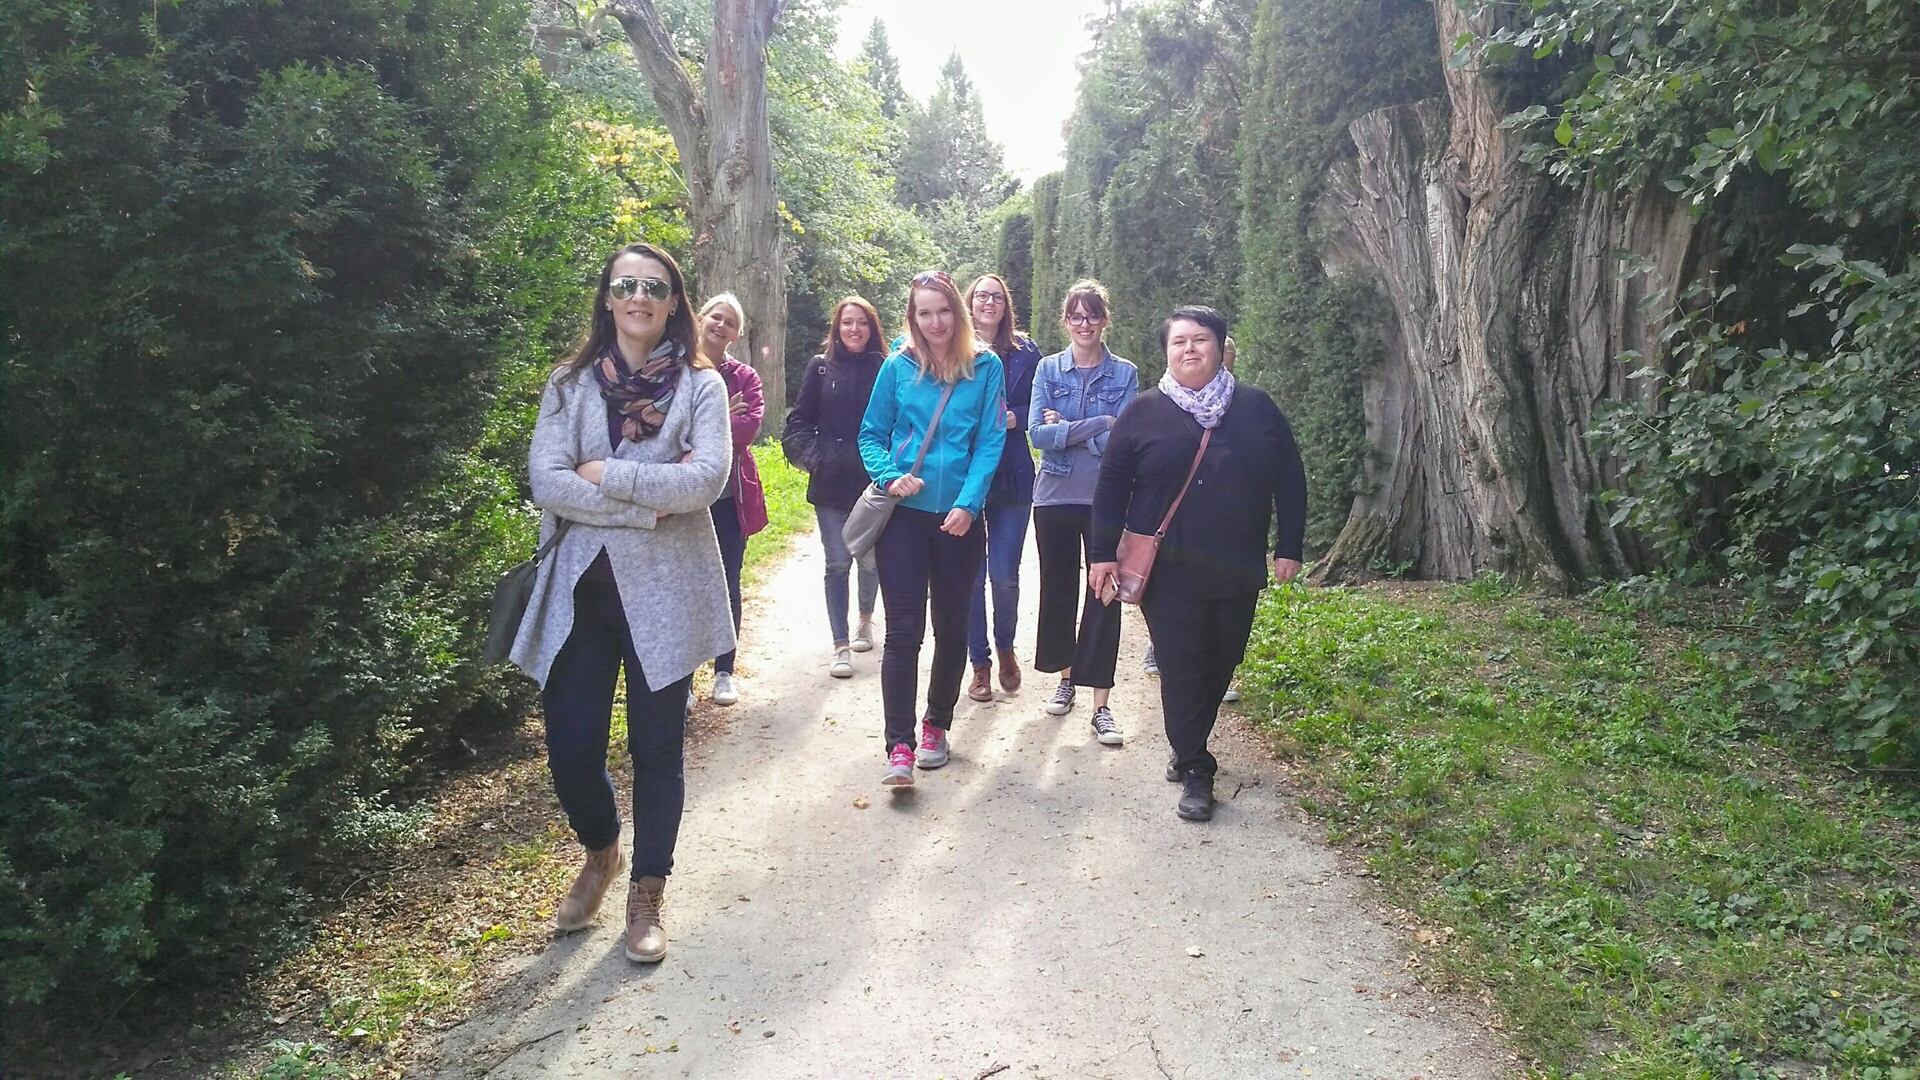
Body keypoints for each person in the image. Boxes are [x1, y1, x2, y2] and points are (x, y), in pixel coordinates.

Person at [509, 242, 734, 962]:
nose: (639, 297)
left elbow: (706, 480)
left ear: (674, 303)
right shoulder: (568, 383)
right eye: (626, 285)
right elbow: (547, 480)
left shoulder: (701, 386)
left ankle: (646, 893)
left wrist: (602, 473)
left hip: (665, 599)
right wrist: (646, 504)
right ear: (608, 298)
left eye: (655, 287)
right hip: (579, 597)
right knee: (571, 748)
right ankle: (602, 849)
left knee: (656, 748)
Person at [1089, 306, 1305, 821]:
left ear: (1220, 346)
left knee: (1223, 659)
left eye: (1200, 339)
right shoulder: (1143, 412)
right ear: (1166, 352)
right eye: (1179, 341)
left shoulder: (1256, 408)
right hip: (1169, 572)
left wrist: (1289, 546)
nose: (1189, 349)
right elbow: (1111, 488)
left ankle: (1187, 740)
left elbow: (1290, 477)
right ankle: (1194, 766)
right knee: (1182, 665)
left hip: (1237, 564)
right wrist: (1101, 555)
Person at [859, 270, 1006, 787]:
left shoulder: (985, 366)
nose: (936, 322)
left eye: (943, 310)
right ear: (913, 317)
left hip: (959, 520)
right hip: (904, 517)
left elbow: (990, 441)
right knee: (903, 632)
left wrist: (969, 503)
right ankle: (898, 745)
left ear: (958, 313)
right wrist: (889, 475)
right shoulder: (897, 366)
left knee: (951, 629)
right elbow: (871, 433)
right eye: (925, 313)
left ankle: (935, 726)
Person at [1028, 280, 1139, 746]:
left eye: (1092, 315)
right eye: (1076, 316)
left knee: (1104, 595)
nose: (1084, 324)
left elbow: (1124, 442)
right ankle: (1065, 679)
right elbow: (1037, 434)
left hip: (1104, 499)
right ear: (1065, 321)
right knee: (1057, 591)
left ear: (1104, 319)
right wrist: (1096, 425)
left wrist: (1067, 429)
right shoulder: (1047, 368)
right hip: (1053, 496)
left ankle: (1102, 706)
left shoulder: (1125, 374)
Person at [782, 296, 887, 676]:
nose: (854, 329)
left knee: (870, 560)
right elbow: (798, 422)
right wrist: (815, 458)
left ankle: (864, 620)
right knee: (838, 562)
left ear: (871, 327)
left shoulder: (886, 367)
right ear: (837, 328)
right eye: (847, 322)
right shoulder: (821, 367)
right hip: (830, 483)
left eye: (861, 322)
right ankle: (840, 645)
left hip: (873, 483)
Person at [963, 273, 1042, 702]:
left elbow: (1044, 403)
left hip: (1012, 473)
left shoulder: (1027, 351)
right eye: (981, 296)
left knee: (1004, 574)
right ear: (970, 302)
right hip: (965, 476)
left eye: (996, 296)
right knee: (971, 577)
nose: (988, 302)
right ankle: (980, 664)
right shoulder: (954, 347)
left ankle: (1006, 646)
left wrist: (1017, 417)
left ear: (1005, 303)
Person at [698, 293, 766, 707]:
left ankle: (724, 671)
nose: (720, 325)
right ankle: (682, 679)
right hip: (683, 500)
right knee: (685, 586)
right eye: (715, 317)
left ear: (736, 334)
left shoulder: (744, 377)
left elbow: (746, 431)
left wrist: (702, 426)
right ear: (700, 319)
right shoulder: (676, 368)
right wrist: (721, 415)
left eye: (729, 322)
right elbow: (663, 432)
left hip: (728, 498)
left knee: (728, 582)